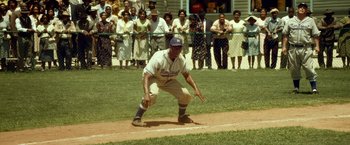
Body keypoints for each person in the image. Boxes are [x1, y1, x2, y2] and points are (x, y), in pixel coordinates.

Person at [131, 37, 205, 127]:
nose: (177, 50)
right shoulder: (159, 57)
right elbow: (147, 76)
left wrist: (196, 89)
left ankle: (181, 116)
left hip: (169, 80)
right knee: (152, 95)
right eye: (174, 47)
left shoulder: (181, 59)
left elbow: (187, 75)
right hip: (153, 77)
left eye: (179, 47)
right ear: (170, 47)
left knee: (186, 95)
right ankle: (137, 118)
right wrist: (146, 93)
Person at [282, 3, 320, 94]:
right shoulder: (291, 21)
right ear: (297, 10)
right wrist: (284, 46)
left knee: (308, 67)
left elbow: (316, 34)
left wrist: (317, 46)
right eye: (300, 7)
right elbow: (285, 34)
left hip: (306, 48)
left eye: (304, 8)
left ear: (306, 10)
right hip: (293, 48)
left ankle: (314, 89)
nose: (302, 9)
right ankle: (296, 88)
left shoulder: (310, 21)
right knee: (294, 68)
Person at [16, 4, 36, 71]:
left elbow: (34, 26)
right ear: (21, 13)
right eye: (23, 13)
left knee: (29, 53)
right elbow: (19, 28)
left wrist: (33, 29)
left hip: (29, 37)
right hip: (21, 37)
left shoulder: (31, 19)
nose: (25, 14)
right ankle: (21, 67)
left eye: (26, 13)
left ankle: (28, 66)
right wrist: (27, 29)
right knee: (20, 53)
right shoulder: (18, 19)